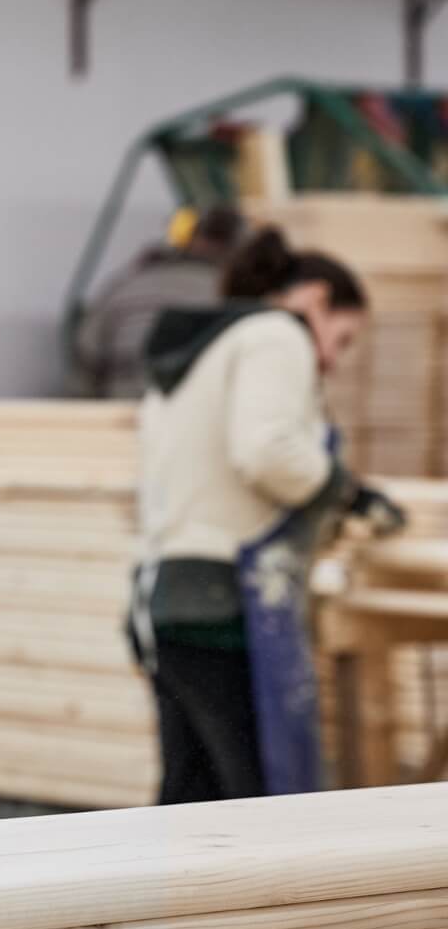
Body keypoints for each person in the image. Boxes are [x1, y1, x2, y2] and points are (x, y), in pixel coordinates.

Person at [130, 228, 406, 805]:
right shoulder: (277, 336)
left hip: (168, 601)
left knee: (190, 803)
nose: (330, 359)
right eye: (342, 338)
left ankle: (179, 899)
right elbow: (266, 451)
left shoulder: (203, 349)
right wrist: (344, 491)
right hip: (228, 602)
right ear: (317, 300)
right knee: (262, 807)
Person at [67, 207, 245, 400]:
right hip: (188, 412)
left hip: (123, 406)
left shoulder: (124, 283)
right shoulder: (230, 293)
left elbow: (85, 360)